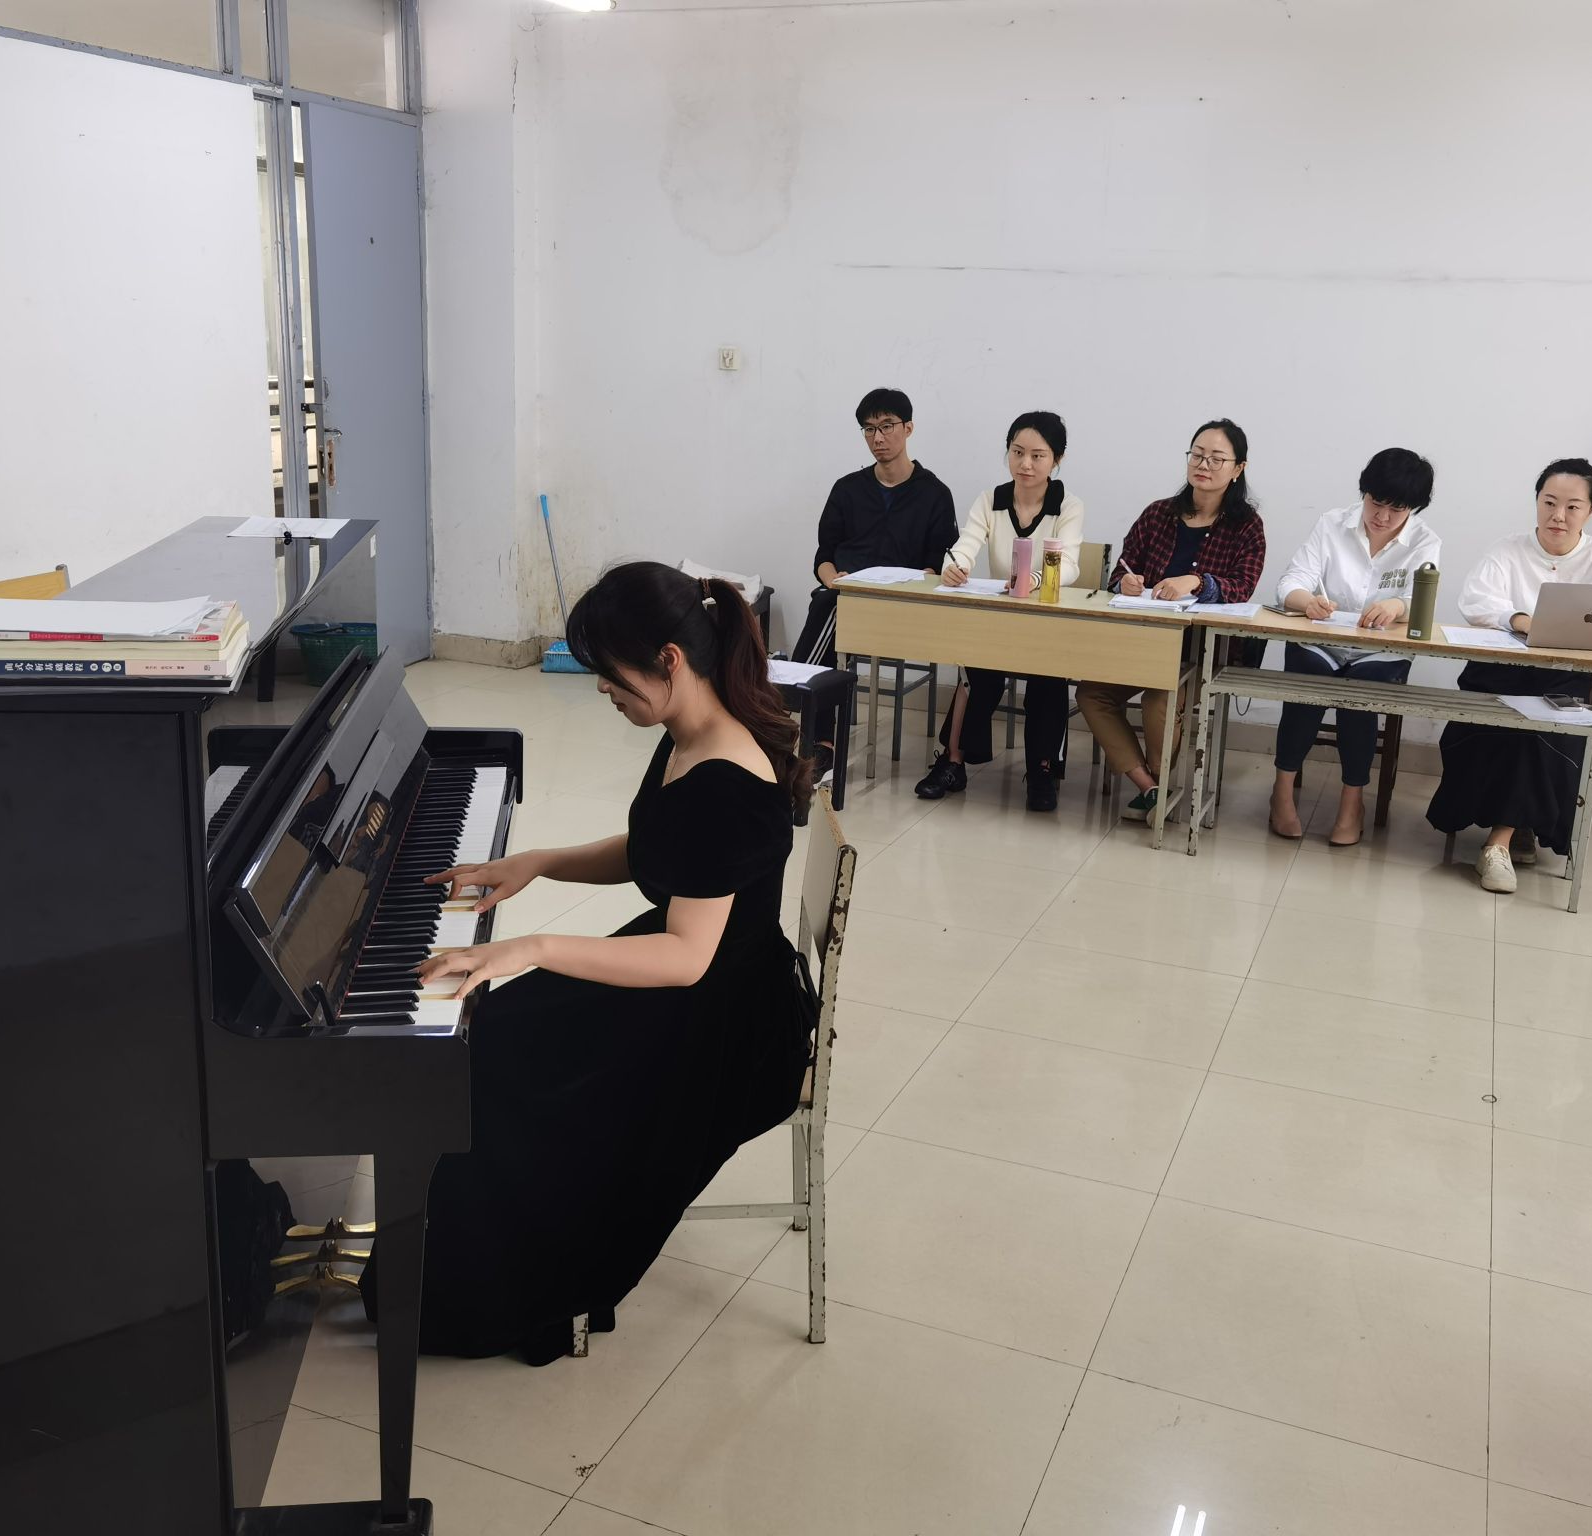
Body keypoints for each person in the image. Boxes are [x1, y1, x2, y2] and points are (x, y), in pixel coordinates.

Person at [366, 563, 815, 1362]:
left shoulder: (728, 779)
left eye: (609, 673)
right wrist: (538, 864)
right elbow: (657, 851)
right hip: (697, 974)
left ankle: (500, 1293)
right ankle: (448, 1267)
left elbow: (686, 957)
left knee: (500, 1058)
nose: (602, 689)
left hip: (727, 1021)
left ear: (669, 661)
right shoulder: (690, 732)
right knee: (492, 1034)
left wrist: (529, 946)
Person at [1426, 458, 1592, 893]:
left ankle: (1499, 843)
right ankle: (1516, 828)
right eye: (1549, 503)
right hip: (1501, 674)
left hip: (1566, 680)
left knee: (1537, 731)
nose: (1558, 516)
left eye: (1573, 507)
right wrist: (1519, 619)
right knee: (1510, 724)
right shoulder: (1507, 550)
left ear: (1590, 511)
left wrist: (1589, 634)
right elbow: (1475, 600)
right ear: (1536, 502)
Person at [1077, 419, 1267, 822]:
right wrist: (1126, 583)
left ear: (1238, 469)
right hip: (1145, 642)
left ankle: (1158, 790)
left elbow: (1242, 586)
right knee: (1092, 694)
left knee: (1161, 698)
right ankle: (1152, 789)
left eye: (1216, 459)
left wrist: (1197, 582)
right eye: (1197, 455)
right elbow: (1120, 572)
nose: (1204, 465)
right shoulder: (1158, 514)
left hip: (1201, 652)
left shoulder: (1246, 526)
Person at [1267, 448, 1441, 846]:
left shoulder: (1425, 542)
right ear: (1364, 491)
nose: (1382, 516)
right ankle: (1282, 790)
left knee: (1360, 694)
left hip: (1381, 651)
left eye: (1396, 509)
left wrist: (1396, 606)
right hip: (1322, 642)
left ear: (1413, 508)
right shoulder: (1331, 524)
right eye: (1375, 502)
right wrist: (1306, 601)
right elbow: (1291, 581)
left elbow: (1420, 602)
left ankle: (1352, 802)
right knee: (1308, 681)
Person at [919, 411, 1085, 812]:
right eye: (1017, 452)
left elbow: (1070, 564)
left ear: (1057, 459)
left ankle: (1042, 770)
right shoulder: (990, 499)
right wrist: (954, 566)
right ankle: (953, 761)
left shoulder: (1068, 505)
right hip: (1000, 620)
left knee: (1048, 678)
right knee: (977, 672)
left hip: (1046, 621)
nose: (1025, 464)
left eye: (1038, 456)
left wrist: (1037, 580)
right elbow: (966, 543)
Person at [789, 388, 958, 779]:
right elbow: (823, 557)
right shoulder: (847, 489)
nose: (878, 438)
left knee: (828, 611)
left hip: (904, 605)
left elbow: (938, 565)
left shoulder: (934, 494)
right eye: (869, 429)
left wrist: (911, 582)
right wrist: (833, 580)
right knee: (829, 603)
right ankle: (820, 741)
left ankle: (793, 701)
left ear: (908, 428)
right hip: (847, 596)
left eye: (886, 426)